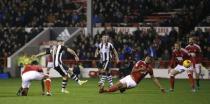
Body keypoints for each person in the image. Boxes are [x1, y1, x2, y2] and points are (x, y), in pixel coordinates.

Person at [99, 56, 165, 94]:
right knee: (116, 85)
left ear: (150, 61)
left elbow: (153, 78)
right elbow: (132, 71)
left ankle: (104, 90)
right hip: (129, 77)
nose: (146, 59)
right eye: (146, 58)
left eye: (148, 59)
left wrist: (160, 87)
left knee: (119, 86)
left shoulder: (149, 68)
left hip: (134, 82)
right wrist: (140, 69)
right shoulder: (140, 62)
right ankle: (121, 89)